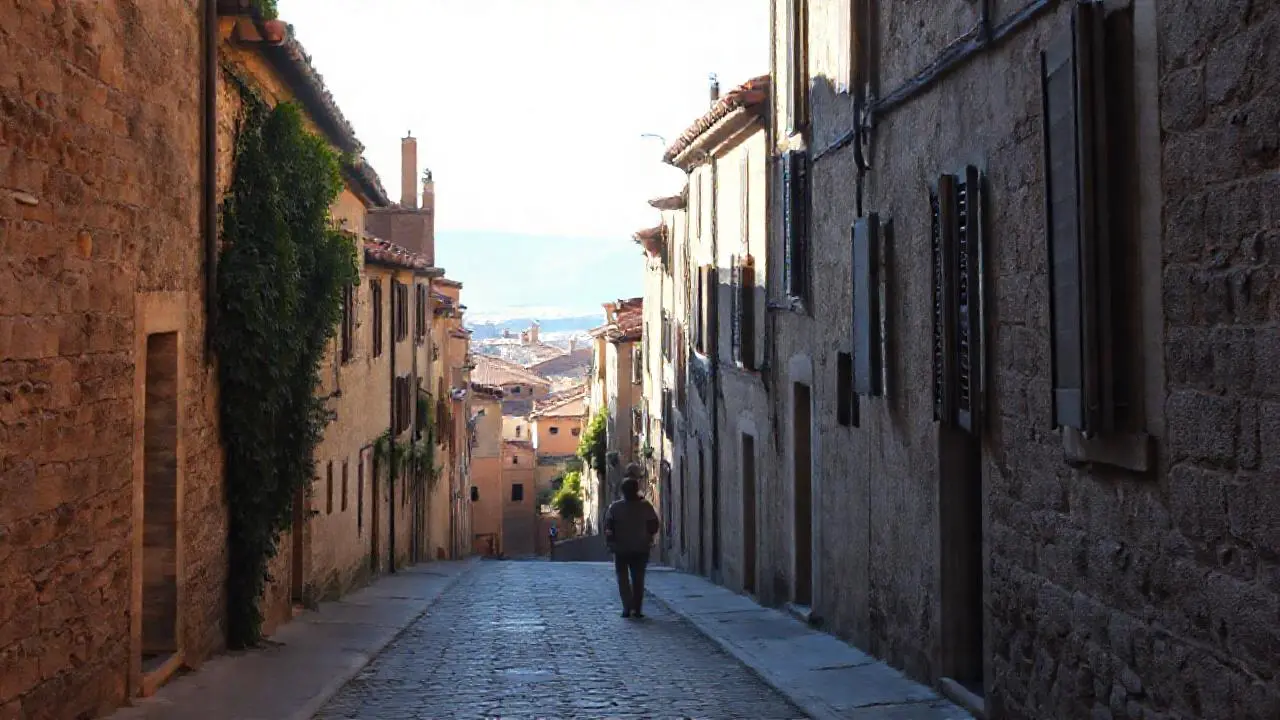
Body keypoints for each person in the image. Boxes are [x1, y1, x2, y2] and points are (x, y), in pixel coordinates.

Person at [604, 463, 660, 618]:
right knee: (638, 579)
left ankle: (627, 607)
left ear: (623, 491)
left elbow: (608, 528)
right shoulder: (645, 506)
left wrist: (611, 543)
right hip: (641, 548)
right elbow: (654, 525)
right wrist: (648, 537)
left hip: (621, 549)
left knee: (623, 579)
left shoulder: (615, 508)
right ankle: (637, 609)